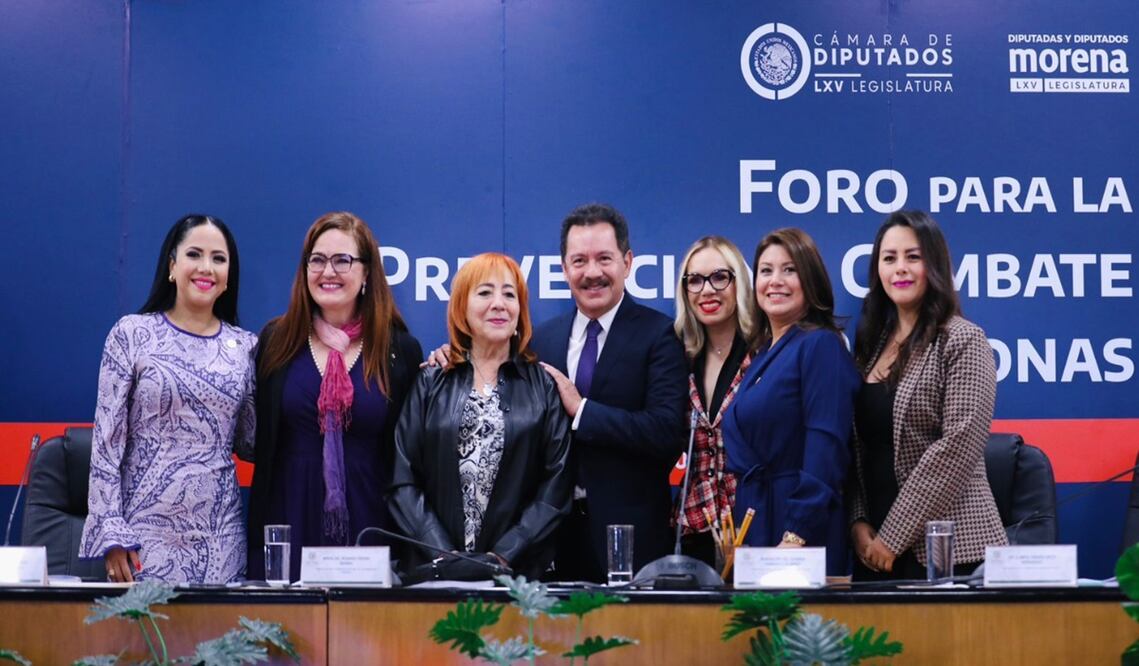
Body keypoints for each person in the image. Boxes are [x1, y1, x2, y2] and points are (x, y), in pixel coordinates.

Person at [247, 212, 422, 582]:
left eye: (343, 260)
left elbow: (411, 456)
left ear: (367, 273)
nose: (328, 271)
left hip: (370, 523)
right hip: (288, 515)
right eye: (318, 260)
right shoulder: (276, 342)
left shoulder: (398, 350)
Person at [80, 214, 255, 584]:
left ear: (228, 277)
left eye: (219, 259)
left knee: (223, 644)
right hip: (141, 541)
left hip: (221, 541)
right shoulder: (131, 335)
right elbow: (107, 445)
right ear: (172, 266)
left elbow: (252, 442)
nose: (206, 267)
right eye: (194, 254)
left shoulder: (246, 348)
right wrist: (112, 532)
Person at [390, 253, 572, 580]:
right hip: (434, 574)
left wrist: (503, 555)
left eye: (509, 294)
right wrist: (443, 555)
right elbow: (402, 479)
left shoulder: (543, 386)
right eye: (485, 292)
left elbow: (556, 484)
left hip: (518, 578)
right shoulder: (431, 380)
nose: (499, 304)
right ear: (462, 306)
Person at [533, 203, 689, 582]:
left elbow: (667, 431)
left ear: (627, 261)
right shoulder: (542, 339)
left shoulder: (660, 335)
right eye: (579, 260)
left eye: (604, 258)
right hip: (552, 541)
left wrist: (582, 410)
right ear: (564, 267)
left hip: (632, 541)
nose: (592, 273)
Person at [849, 210, 1007, 580]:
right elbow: (856, 449)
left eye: (913, 257)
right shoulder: (869, 348)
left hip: (949, 549)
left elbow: (957, 448)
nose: (900, 268)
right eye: (889, 259)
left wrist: (892, 536)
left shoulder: (963, 339)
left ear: (934, 265)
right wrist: (857, 522)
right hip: (873, 552)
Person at [721, 228, 859, 576]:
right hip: (756, 525)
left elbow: (826, 447)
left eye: (789, 270)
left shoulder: (821, 346)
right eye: (766, 271)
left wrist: (796, 535)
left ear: (810, 279)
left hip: (800, 531)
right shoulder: (764, 353)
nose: (775, 281)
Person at [671, 236, 758, 568]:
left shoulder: (765, 351)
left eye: (720, 277)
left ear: (740, 283)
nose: (707, 290)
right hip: (693, 529)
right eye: (694, 280)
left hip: (753, 526)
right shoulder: (678, 356)